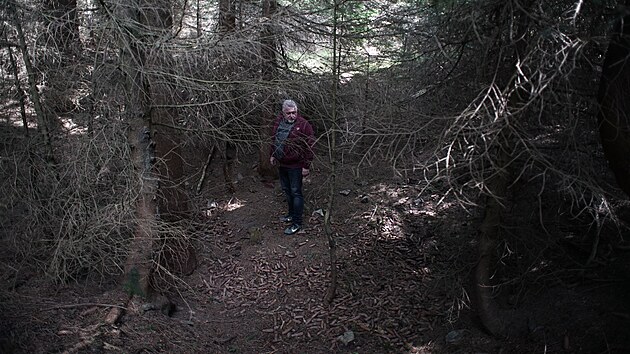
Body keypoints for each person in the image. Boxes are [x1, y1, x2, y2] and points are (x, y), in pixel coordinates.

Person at [270, 99, 315, 235]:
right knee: (287, 190)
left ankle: (297, 223)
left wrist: (306, 166)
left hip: (296, 165)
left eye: (294, 113)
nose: (292, 116)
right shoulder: (279, 122)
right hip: (282, 164)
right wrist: (272, 154)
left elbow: (310, 145)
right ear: (283, 113)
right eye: (289, 113)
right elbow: (274, 139)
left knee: (296, 192)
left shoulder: (303, 124)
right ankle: (290, 214)